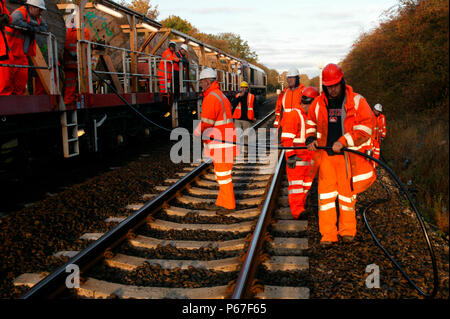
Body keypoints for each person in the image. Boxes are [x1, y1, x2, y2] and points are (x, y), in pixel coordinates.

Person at [306, 63, 376, 245]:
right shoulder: (318, 103)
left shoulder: (358, 101)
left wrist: (343, 141)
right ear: (324, 86)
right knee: (326, 198)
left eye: (335, 85)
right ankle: (328, 234)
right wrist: (310, 138)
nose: (332, 90)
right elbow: (310, 123)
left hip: (347, 158)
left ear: (342, 82)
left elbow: (366, 129)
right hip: (326, 158)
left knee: (347, 196)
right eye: (329, 86)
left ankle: (347, 231)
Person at [194, 68, 238, 210]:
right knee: (222, 174)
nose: (200, 85)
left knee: (223, 175)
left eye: (201, 82)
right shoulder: (221, 95)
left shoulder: (211, 97)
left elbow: (207, 122)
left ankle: (228, 204)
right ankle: (222, 201)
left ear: (207, 82)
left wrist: (197, 132)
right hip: (226, 140)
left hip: (221, 143)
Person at [281, 86, 319, 219]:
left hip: (309, 159)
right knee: (296, 187)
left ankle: (301, 207)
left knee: (305, 186)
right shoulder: (294, 115)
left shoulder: (310, 116)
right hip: (297, 160)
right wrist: (290, 156)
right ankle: (297, 212)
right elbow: (286, 138)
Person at [0, 0, 47, 95]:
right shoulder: (20, 12)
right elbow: (13, 20)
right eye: (40, 9)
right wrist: (28, 28)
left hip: (22, 55)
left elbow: (44, 27)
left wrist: (32, 28)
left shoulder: (38, 18)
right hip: (10, 54)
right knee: (7, 83)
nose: (41, 12)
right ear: (32, 7)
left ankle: (16, 105)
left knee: (20, 84)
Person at [63, 13, 90, 105]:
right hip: (79, 63)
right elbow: (85, 46)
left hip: (70, 62)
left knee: (70, 83)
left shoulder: (66, 31)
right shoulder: (83, 31)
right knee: (81, 82)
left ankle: (69, 100)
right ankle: (83, 99)